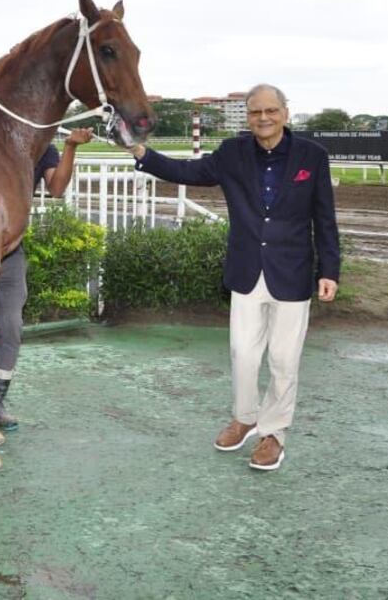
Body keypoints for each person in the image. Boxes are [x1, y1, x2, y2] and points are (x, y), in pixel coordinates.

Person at [128, 84, 340, 471]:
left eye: (271, 111)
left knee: (283, 359)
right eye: (256, 112)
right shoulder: (232, 154)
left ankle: (273, 433)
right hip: (245, 271)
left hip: (292, 273)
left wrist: (329, 270)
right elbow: (185, 171)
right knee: (243, 354)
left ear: (285, 113)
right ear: (247, 116)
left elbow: (324, 218)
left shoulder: (313, 157)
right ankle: (245, 417)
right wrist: (140, 152)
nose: (264, 118)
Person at [0, 127, 95, 432]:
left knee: (11, 325)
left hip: (10, 253)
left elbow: (56, 189)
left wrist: (70, 147)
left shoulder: (39, 149)